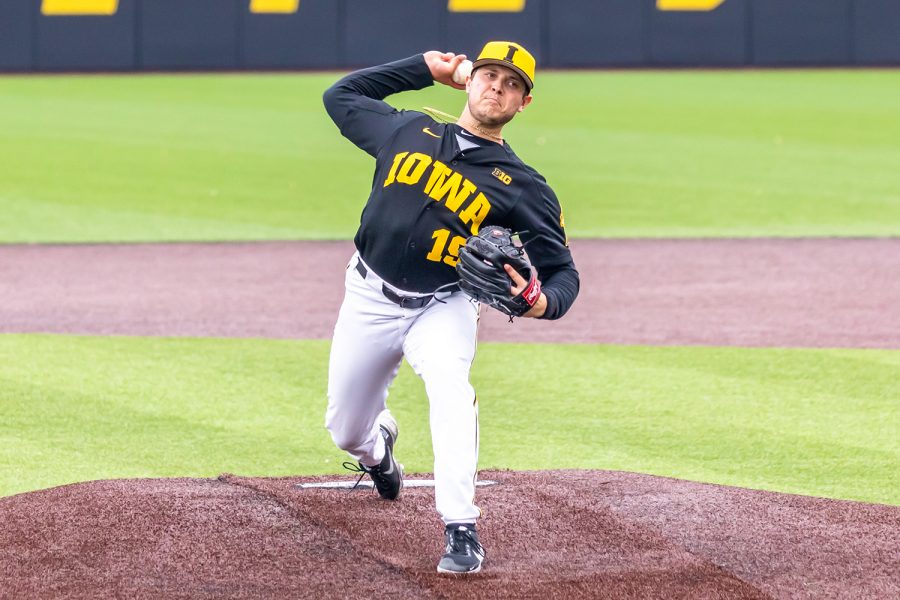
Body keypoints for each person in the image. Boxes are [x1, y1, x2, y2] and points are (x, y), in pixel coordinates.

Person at [322, 41, 579, 575]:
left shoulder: (524, 186)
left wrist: (538, 303)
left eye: (512, 85)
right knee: (346, 430)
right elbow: (341, 95)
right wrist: (421, 69)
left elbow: (564, 276)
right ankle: (379, 452)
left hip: (444, 305)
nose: (497, 88)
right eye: (489, 75)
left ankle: (461, 527)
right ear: (470, 80)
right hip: (369, 295)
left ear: (522, 104)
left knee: (451, 391)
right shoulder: (407, 130)